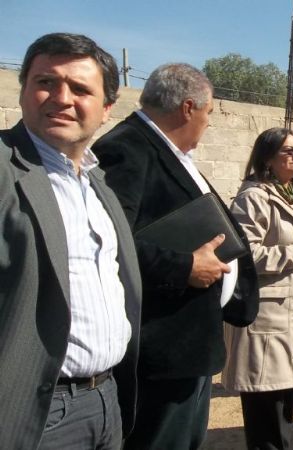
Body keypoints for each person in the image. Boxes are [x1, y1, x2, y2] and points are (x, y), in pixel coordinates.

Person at [93, 63, 259, 449]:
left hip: (189, 346)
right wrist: (184, 266)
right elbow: (109, 240)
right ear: (188, 107)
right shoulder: (126, 148)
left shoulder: (169, 151)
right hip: (163, 350)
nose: (208, 124)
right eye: (208, 114)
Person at [0, 33, 141, 449]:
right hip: (37, 414)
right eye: (45, 82)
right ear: (23, 90)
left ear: (107, 109)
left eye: (80, 89)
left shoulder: (96, 185)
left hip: (106, 399)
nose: (61, 98)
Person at [222, 128, 293, 450]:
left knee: (283, 408)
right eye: (288, 151)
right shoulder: (253, 197)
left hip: (286, 316)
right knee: (267, 412)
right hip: (266, 319)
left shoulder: (288, 194)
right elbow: (243, 252)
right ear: (267, 158)